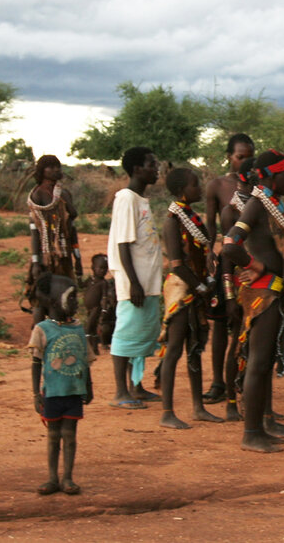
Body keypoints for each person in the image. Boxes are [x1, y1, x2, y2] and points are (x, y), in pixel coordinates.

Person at [222, 149, 284, 452]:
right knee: (257, 363)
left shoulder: (270, 205)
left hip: (274, 289)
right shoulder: (256, 205)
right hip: (263, 292)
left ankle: (263, 423)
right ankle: (251, 433)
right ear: (270, 176)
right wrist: (254, 266)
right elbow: (230, 245)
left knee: (265, 361)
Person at [157, 168, 222, 429]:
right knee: (174, 350)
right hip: (182, 290)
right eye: (196, 185)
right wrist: (201, 287)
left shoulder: (191, 218)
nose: (200, 188)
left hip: (195, 288)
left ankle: (198, 407)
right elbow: (177, 265)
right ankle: (166, 412)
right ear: (183, 190)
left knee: (194, 348)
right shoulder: (173, 221)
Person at [108, 146, 163, 411]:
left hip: (147, 282)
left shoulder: (141, 200)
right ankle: (120, 391)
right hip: (135, 284)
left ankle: (136, 386)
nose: (157, 168)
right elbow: (123, 244)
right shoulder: (126, 199)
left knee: (142, 334)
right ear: (137, 169)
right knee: (127, 334)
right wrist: (133, 282)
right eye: (152, 164)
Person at [201, 134, 255, 405]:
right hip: (227, 262)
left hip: (252, 263)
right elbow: (210, 225)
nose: (244, 161)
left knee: (249, 323)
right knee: (221, 323)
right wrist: (210, 250)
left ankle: (244, 381)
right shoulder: (217, 186)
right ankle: (217, 382)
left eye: (248, 157)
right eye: (240, 157)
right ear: (229, 157)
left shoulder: (258, 188)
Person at [28, 274, 92, 496]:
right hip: (53, 393)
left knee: (70, 436)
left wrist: (88, 387)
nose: (76, 303)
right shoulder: (43, 329)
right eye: (71, 298)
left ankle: (67, 478)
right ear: (55, 303)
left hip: (73, 392)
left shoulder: (77, 328)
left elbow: (85, 360)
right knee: (54, 436)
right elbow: (36, 363)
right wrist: (36, 393)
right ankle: (52, 477)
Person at [217, 159, 255, 422]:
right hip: (242, 286)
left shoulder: (262, 206)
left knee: (259, 347)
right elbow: (227, 257)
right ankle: (231, 402)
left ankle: (258, 404)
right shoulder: (231, 211)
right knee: (237, 344)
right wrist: (230, 297)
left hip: (262, 284)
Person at [25, 155, 81, 323]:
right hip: (46, 255)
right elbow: (35, 230)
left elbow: (71, 225)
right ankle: (39, 337)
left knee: (66, 294)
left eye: (58, 166)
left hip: (64, 253)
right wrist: (36, 262)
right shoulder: (37, 195)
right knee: (43, 298)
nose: (57, 169)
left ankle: (63, 334)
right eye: (51, 167)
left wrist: (77, 257)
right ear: (42, 171)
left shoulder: (64, 193)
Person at [83, 254, 115, 356]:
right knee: (92, 329)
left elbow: (105, 297)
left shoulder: (103, 283)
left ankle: (90, 349)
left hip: (96, 308)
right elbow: (80, 285)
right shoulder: (90, 280)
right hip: (89, 309)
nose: (103, 270)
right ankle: (95, 348)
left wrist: (104, 310)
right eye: (100, 268)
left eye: (105, 268)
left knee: (89, 327)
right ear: (93, 268)